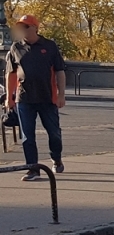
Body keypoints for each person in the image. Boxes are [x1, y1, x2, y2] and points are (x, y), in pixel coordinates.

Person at [4, 15, 67, 180]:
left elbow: (60, 71)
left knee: (54, 133)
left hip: (47, 97)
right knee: (27, 136)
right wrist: (9, 99)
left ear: (34, 28)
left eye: (25, 26)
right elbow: (10, 74)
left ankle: (56, 158)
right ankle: (32, 168)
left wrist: (61, 94)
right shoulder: (16, 48)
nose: (22, 30)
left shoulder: (49, 46)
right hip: (24, 98)